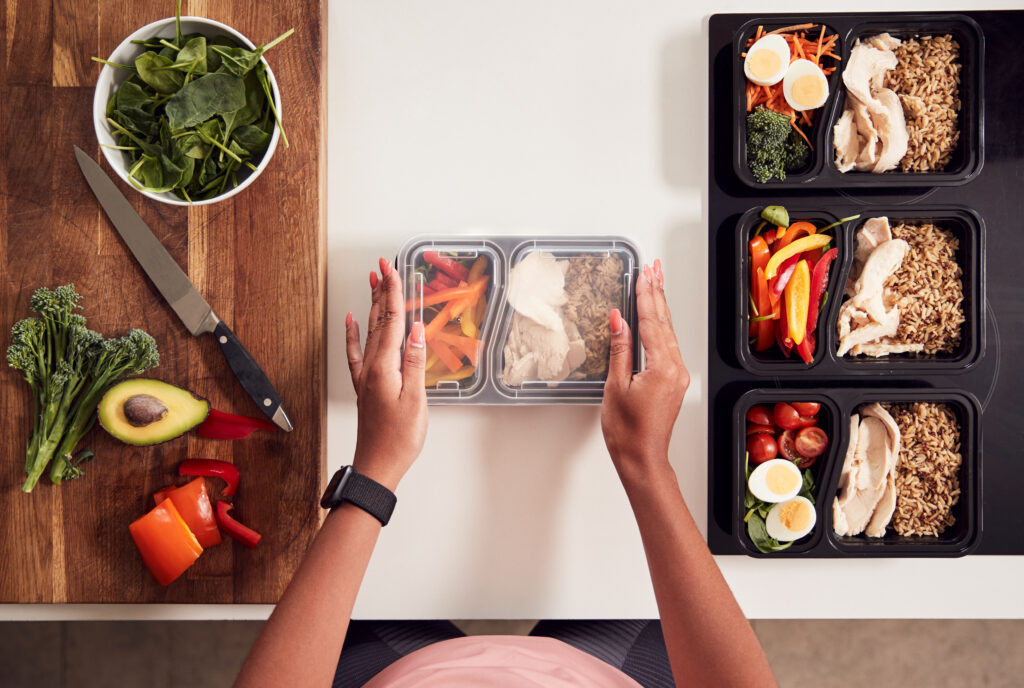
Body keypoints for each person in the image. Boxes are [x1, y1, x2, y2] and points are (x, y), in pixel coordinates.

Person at [234, 258, 777, 687]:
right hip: (601, 673)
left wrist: (376, 467)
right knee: (618, 597)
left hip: (403, 674)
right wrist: (646, 463)